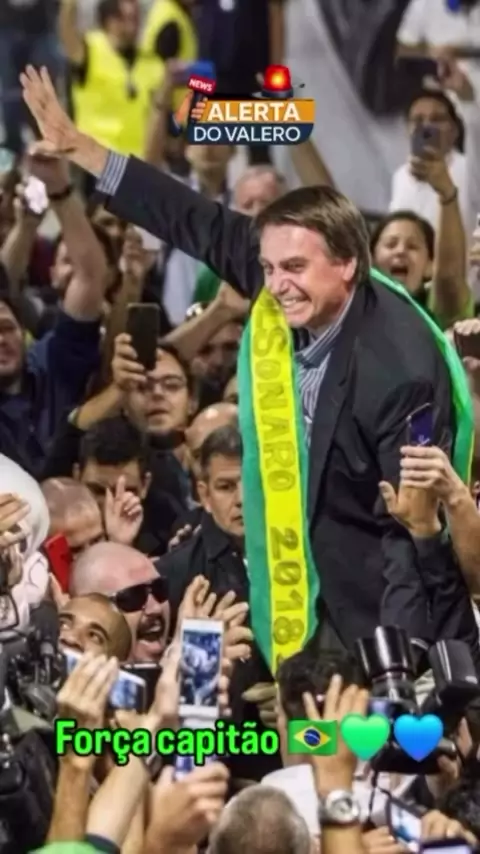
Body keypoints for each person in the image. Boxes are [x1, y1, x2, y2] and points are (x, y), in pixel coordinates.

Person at [20, 66, 465, 653]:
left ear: (348, 264)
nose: (275, 286)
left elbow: (407, 534)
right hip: (291, 585)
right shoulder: (289, 265)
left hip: (366, 609)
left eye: (294, 269)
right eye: (269, 268)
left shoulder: (400, 373)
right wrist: (83, 148)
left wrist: (398, 669)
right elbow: (186, 215)